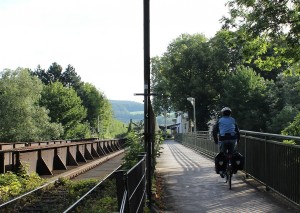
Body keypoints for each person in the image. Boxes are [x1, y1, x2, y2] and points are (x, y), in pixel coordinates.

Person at [213, 107, 240, 177]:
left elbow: (214, 131)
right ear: (230, 113)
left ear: (223, 114)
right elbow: (237, 131)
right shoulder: (233, 120)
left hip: (223, 139)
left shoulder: (220, 120)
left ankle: (222, 170)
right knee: (233, 153)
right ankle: (234, 169)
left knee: (222, 154)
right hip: (232, 139)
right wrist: (238, 140)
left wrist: (216, 140)